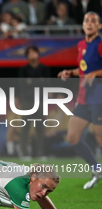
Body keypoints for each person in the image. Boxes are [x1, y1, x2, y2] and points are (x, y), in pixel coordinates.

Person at [58, 12, 102, 189]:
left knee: (100, 138)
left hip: (99, 96)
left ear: (99, 26)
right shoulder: (81, 45)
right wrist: (71, 72)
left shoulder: (100, 44)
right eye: (86, 21)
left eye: (94, 21)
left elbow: (94, 71)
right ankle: (96, 168)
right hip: (84, 98)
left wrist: (96, 74)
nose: (89, 24)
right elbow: (85, 68)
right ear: (83, 25)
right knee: (73, 137)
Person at [18, 45, 50, 159]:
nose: (32, 55)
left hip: (40, 101)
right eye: (29, 53)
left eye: (34, 52)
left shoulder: (44, 69)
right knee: (25, 128)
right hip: (27, 102)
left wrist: (31, 82)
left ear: (38, 54)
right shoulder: (24, 70)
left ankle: (40, 153)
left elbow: (47, 85)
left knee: (40, 128)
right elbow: (21, 85)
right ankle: (24, 153)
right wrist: (38, 82)